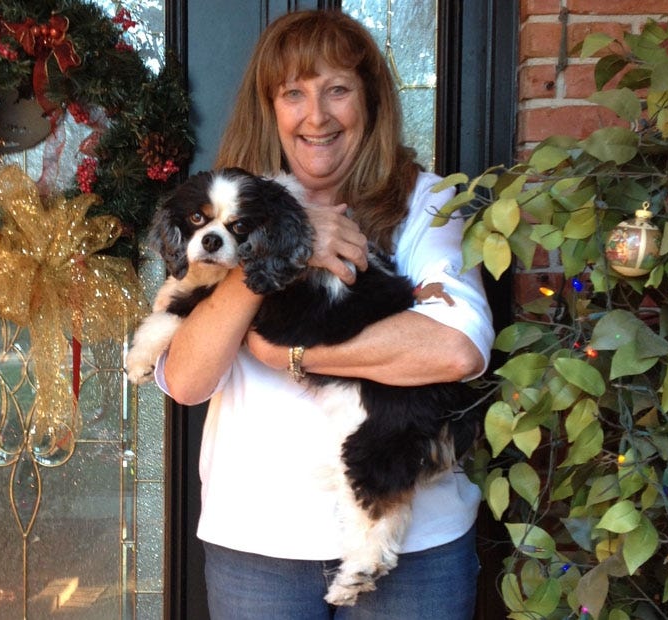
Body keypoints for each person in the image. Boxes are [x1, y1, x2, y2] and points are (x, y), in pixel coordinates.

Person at [153, 9, 494, 619]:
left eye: (337, 89)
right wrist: (286, 241)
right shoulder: (226, 211)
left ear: (370, 101)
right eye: (294, 94)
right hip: (258, 541)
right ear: (270, 108)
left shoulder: (427, 202)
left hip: (414, 546)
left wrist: (290, 354)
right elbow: (186, 379)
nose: (316, 116)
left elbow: (456, 351)